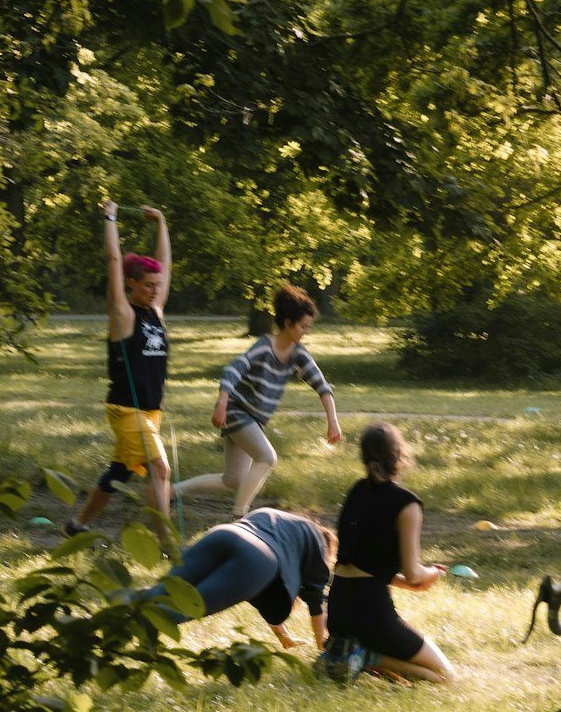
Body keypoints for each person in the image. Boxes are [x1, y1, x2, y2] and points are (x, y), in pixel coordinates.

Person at [173, 286, 342, 518]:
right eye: (303, 326)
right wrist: (222, 404)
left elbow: (322, 387)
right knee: (267, 457)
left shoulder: (298, 355)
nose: (307, 332)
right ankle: (240, 517)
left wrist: (333, 421)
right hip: (236, 411)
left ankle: (172, 491)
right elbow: (233, 369)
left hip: (253, 420)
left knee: (232, 480)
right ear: (288, 323)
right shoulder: (264, 346)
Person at [65, 200, 173, 540]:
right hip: (126, 409)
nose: (155, 289)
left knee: (120, 472)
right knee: (160, 469)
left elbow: (166, 265)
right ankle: (169, 545)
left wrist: (161, 223)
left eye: (157, 284)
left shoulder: (156, 311)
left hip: (150, 411)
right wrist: (110, 218)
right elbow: (114, 260)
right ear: (130, 283)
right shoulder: (123, 314)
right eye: (147, 285)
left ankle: (77, 525)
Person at [319, 423, 458, 685]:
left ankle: (352, 655)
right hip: (372, 613)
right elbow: (414, 572)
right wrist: (432, 574)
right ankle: (368, 657)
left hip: (338, 610)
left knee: (419, 672)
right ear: (400, 454)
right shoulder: (407, 504)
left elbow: (360, 565)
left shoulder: (356, 491)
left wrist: (405, 583)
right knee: (445, 677)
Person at [140, 508, 333, 649]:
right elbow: (316, 603)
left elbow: (264, 594)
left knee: (158, 593)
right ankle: (130, 632)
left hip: (223, 534)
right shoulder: (318, 543)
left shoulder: (282, 523)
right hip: (258, 556)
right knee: (186, 608)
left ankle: (117, 607)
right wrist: (321, 647)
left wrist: (283, 636)